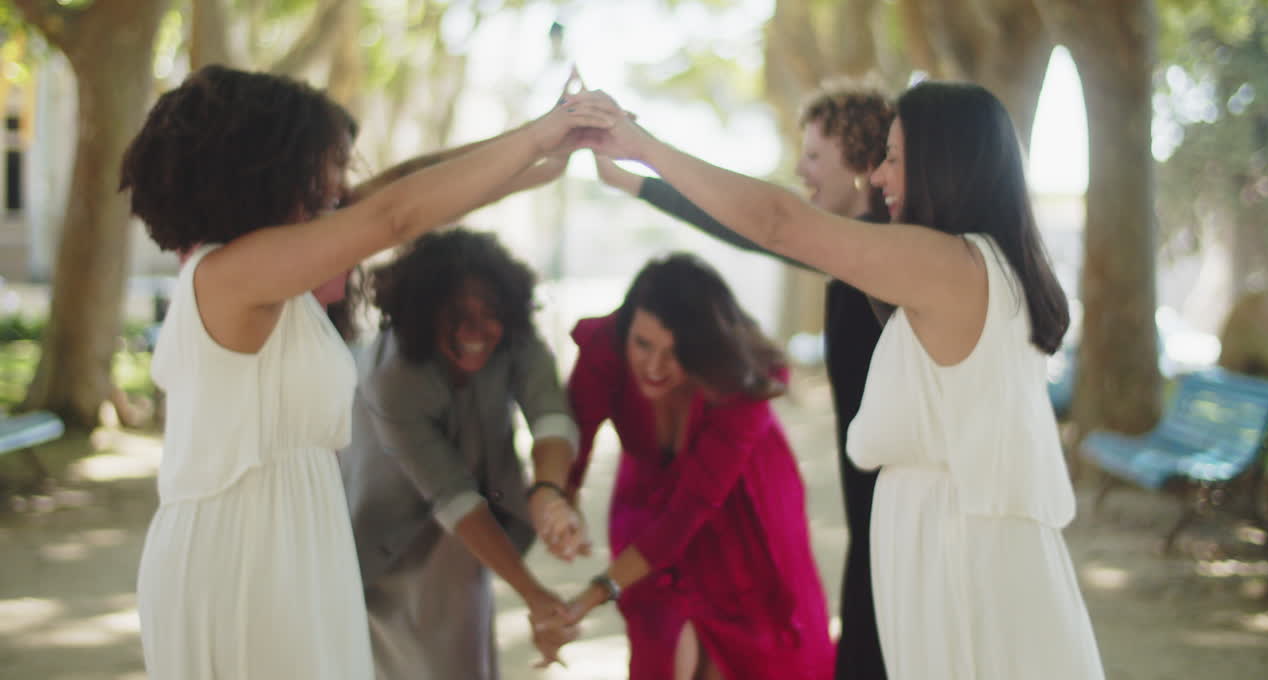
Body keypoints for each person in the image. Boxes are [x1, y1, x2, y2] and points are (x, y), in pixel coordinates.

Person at [583, 81, 1104, 679]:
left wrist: (641, 145)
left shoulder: (948, 264)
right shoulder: (972, 265)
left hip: (957, 558)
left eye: (894, 158)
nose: (879, 177)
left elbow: (778, 223)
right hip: (946, 547)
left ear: (943, 166)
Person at [123, 64, 613, 679]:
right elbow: (394, 215)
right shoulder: (232, 273)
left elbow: (402, 191)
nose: (341, 181)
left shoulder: (276, 269)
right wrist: (542, 135)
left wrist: (542, 146)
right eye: (329, 162)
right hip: (242, 554)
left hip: (295, 540)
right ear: (267, 165)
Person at [593, 80, 894, 679]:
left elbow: (767, 223)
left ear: (860, 160)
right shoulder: (845, 255)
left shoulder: (887, 254)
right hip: (869, 493)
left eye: (813, 156)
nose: (801, 170)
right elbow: (746, 224)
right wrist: (630, 182)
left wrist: (638, 162)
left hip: (897, 494)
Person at [558, 254, 835, 680]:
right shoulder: (605, 346)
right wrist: (563, 500)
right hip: (649, 497)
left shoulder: (742, 383)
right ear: (625, 329)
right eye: (643, 344)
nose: (653, 367)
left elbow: (685, 517)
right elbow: (572, 439)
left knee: (763, 649)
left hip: (742, 501)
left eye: (676, 352)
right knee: (659, 642)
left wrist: (590, 597)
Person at [339, 228, 588, 679]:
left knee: (463, 649)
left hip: (466, 531)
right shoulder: (392, 380)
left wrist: (549, 493)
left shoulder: (516, 337)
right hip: (386, 530)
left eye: (490, 313)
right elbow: (452, 497)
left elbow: (550, 415)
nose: (477, 330)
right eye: (458, 316)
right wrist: (535, 596)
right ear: (424, 316)